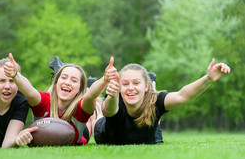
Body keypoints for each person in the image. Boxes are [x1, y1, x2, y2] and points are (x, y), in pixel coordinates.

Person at [94, 58, 231, 145]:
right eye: (125, 84)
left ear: (145, 86)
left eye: (136, 83)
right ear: (119, 87)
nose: (130, 88)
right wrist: (112, 94)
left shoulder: (155, 100)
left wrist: (208, 78)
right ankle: (92, 89)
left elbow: (182, 96)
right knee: (99, 112)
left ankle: (152, 89)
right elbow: (109, 111)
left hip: (147, 133)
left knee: (152, 113)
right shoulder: (114, 100)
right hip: (106, 131)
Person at [3, 54, 117, 146]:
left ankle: (89, 85)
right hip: (54, 110)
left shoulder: (80, 107)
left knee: (94, 112)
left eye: (74, 80)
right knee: (90, 100)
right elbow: (29, 90)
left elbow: (91, 95)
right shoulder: (43, 102)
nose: (67, 82)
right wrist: (15, 75)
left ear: (79, 89)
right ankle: (81, 82)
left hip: (79, 134)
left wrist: (105, 79)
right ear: (56, 82)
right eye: (63, 77)